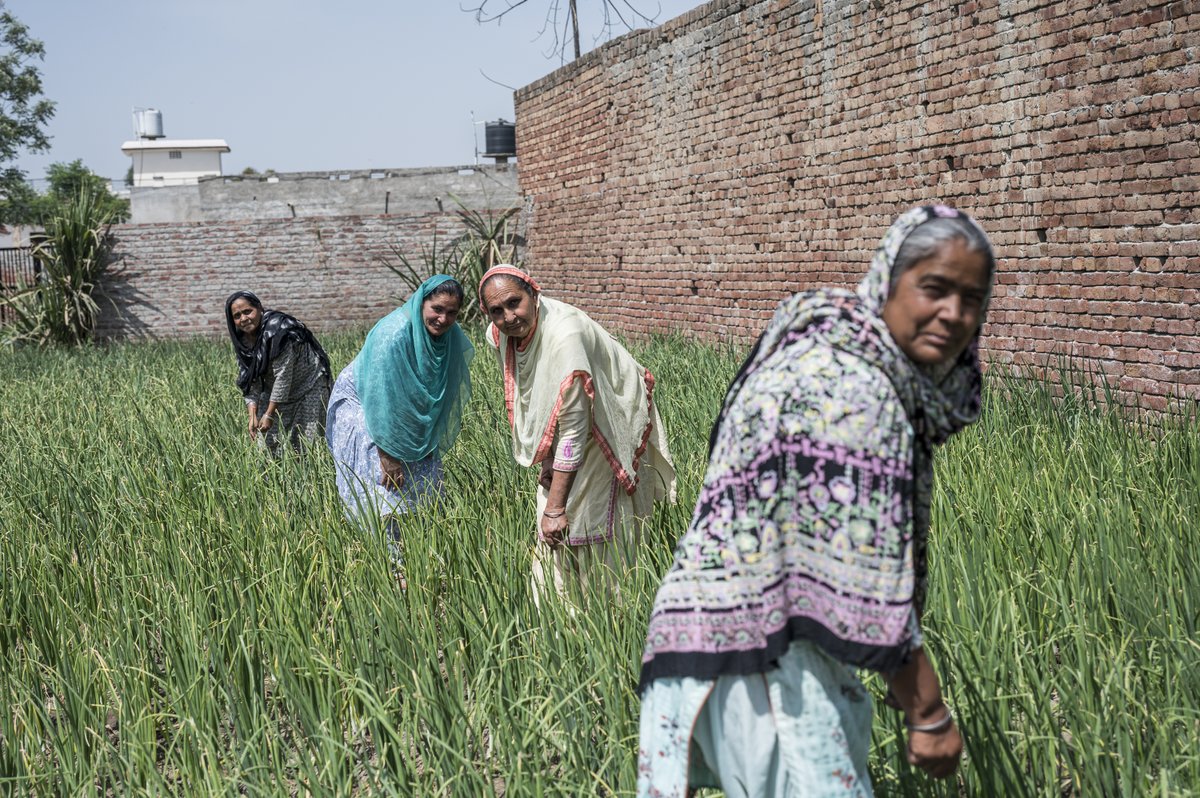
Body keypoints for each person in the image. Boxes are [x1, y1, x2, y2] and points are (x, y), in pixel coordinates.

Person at [636, 205, 995, 796]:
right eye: (934, 288)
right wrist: (928, 712)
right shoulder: (856, 390)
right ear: (890, 281)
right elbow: (862, 586)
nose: (954, 314)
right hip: (765, 663)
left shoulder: (820, 340)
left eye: (972, 299)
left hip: (694, 639)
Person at [478, 265, 676, 602]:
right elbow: (536, 398)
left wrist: (555, 508)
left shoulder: (565, 338)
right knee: (557, 516)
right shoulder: (500, 336)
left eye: (515, 303)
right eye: (497, 310)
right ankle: (561, 613)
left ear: (534, 294)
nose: (509, 317)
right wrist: (546, 458)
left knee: (589, 518)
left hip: (605, 420)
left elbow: (574, 427)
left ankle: (610, 608)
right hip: (573, 420)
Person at [325, 275, 473, 564]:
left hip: (401, 408)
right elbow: (381, 400)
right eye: (437, 309)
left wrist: (422, 432)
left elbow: (434, 394)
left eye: (452, 312)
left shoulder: (448, 339)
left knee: (423, 478)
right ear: (421, 304)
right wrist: (388, 454)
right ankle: (391, 566)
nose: (443, 319)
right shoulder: (392, 335)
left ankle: (420, 555)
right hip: (364, 405)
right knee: (385, 488)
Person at [225, 290, 332, 454]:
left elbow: (283, 377)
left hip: (309, 386)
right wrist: (252, 414)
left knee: (307, 447)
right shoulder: (242, 343)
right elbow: (248, 379)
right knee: (266, 446)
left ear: (260, 308)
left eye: (248, 311)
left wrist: (269, 414)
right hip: (273, 391)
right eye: (237, 316)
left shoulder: (279, 332)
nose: (244, 319)